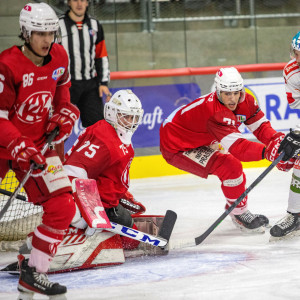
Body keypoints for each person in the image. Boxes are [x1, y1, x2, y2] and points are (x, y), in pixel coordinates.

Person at [0, 3, 80, 298]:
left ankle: (33, 272)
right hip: (5, 145)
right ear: (25, 32)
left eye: (51, 32)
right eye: (40, 33)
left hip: (37, 147)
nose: (47, 40)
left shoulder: (59, 56)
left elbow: (63, 97)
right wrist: (18, 144)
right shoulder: (7, 64)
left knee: (63, 206)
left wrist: (66, 114)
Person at [159, 67, 296, 233]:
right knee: (230, 167)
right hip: (178, 145)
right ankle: (239, 213)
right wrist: (269, 152)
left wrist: (278, 143)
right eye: (226, 93)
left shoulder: (247, 101)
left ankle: (235, 207)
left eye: (236, 93)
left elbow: (260, 127)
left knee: (231, 167)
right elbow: (239, 148)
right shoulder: (215, 112)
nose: (232, 99)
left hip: (200, 136)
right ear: (218, 91)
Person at [64, 89, 145, 248]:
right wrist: (87, 211)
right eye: (127, 116)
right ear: (112, 113)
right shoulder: (105, 138)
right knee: (132, 241)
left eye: (134, 117)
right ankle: (76, 230)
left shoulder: (113, 133)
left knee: (131, 232)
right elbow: (72, 171)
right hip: (97, 204)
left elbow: (109, 173)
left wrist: (122, 194)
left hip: (104, 200)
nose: (131, 122)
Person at [59, 0, 111, 128]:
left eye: (83, 0)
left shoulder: (95, 24)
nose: (79, 4)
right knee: (58, 126)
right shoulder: (58, 25)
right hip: (65, 85)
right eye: (75, 0)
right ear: (69, 2)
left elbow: (101, 54)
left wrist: (103, 83)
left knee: (97, 127)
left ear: (87, 3)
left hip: (90, 84)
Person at [269, 31, 300, 239]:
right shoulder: (292, 72)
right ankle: (295, 215)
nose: (297, 59)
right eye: (296, 53)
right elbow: (297, 103)